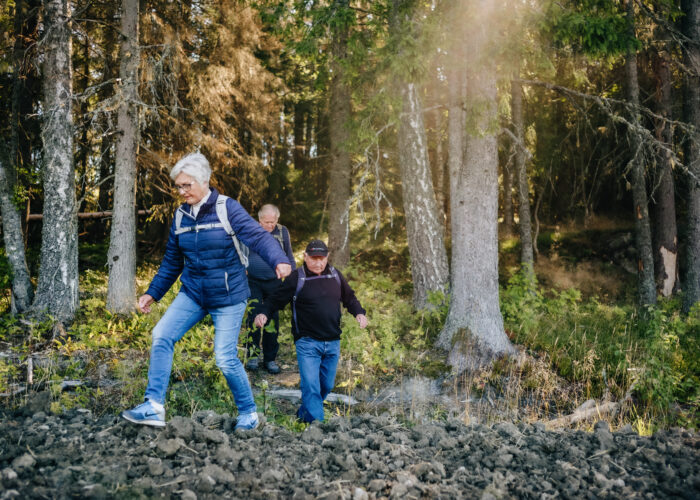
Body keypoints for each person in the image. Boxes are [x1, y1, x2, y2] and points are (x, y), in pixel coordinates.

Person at [121, 153, 292, 430]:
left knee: (225, 357)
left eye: (187, 185)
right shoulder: (181, 216)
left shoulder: (227, 208)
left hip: (228, 297)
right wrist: (153, 292)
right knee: (161, 335)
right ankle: (153, 406)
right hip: (194, 293)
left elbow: (257, 236)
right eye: (178, 186)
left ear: (204, 181)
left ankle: (248, 413)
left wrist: (280, 260)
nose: (181, 191)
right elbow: (172, 261)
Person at [253, 239, 368, 423]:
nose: (318, 262)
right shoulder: (296, 278)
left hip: (332, 341)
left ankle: (304, 415)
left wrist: (359, 313)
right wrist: (264, 313)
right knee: (311, 386)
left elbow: (349, 298)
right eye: (313, 258)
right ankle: (317, 427)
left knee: (327, 386)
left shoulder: (334, 275)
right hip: (307, 342)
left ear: (327, 257)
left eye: (321, 258)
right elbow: (275, 299)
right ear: (305, 257)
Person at [244, 204, 296, 374]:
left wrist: (293, 279)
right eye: (267, 222)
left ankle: (270, 359)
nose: (270, 225)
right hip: (253, 282)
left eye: (273, 222)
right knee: (253, 316)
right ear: (259, 220)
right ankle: (252, 355)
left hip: (275, 282)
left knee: (272, 319)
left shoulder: (282, 232)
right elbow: (240, 253)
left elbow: (289, 256)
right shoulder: (250, 230)